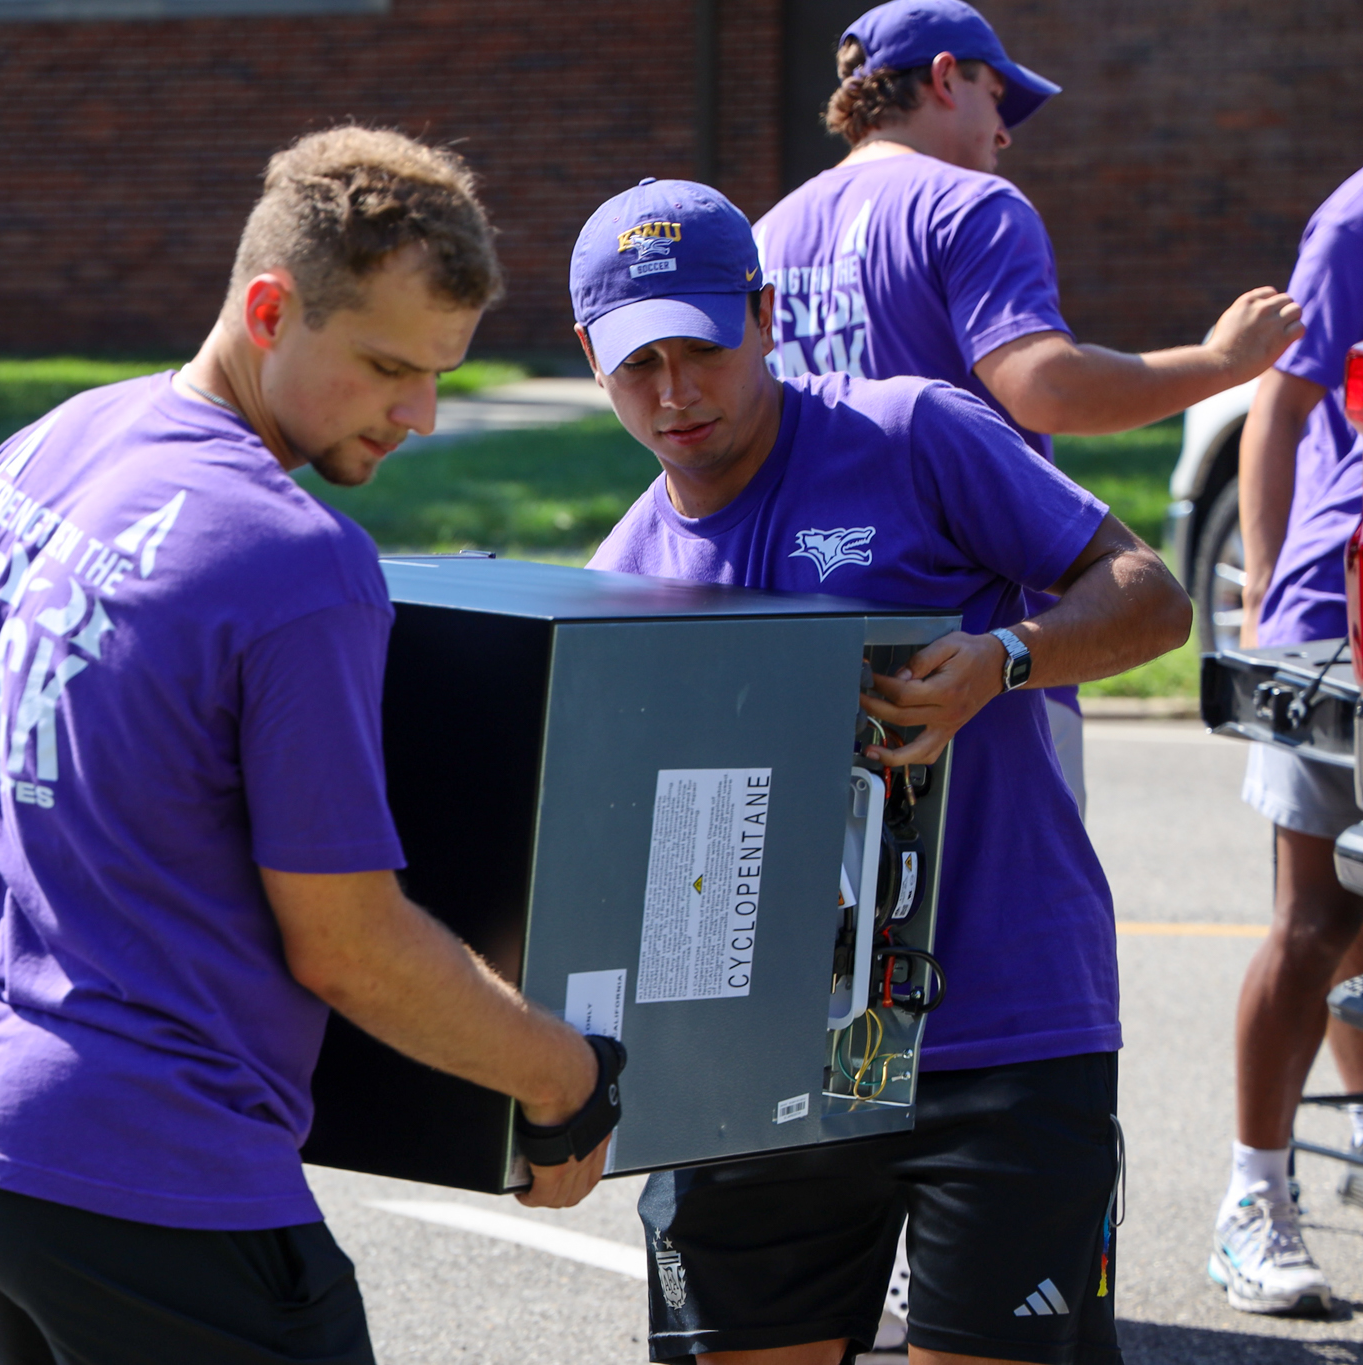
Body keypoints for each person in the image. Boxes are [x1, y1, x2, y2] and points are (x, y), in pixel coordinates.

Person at [0, 127, 620, 1365]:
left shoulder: (40, 455)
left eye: (441, 373)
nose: (420, 415)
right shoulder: (293, 559)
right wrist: (561, 1079)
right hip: (146, 1173)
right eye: (386, 366)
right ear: (269, 309)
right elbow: (345, 942)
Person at [572, 177, 1189, 1364]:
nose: (671, 393)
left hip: (1002, 1027)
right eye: (633, 363)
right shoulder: (623, 573)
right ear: (591, 359)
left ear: (761, 316)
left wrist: (1003, 658)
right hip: (748, 1070)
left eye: (697, 348)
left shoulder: (911, 431)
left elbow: (1148, 598)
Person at [753, 0, 1300, 822]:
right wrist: (1221, 363)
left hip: (802, 659)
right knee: (1007, 939)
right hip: (976, 662)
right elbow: (1046, 385)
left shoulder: (765, 235)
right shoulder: (971, 206)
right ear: (946, 78)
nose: (1004, 134)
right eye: (998, 98)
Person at [1214, 164, 1363, 1317]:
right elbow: (1275, 404)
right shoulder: (1354, 218)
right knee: (1318, 920)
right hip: (1332, 610)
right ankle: (1250, 1200)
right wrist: (1265, 617)